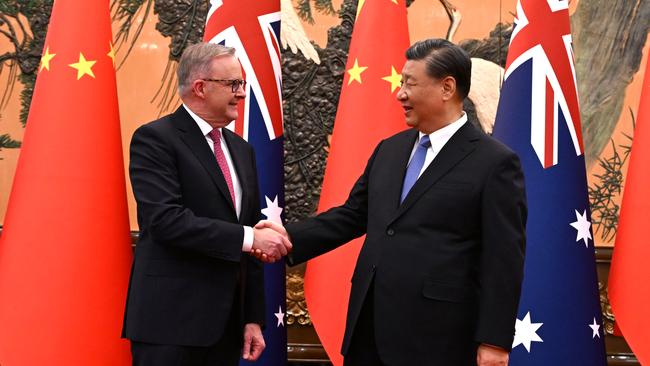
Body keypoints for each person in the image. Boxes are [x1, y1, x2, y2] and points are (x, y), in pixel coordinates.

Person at [258, 38, 527, 366]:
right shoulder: (390, 149)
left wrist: (495, 342)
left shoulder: (494, 162)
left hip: (440, 339)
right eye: (401, 83)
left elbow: (504, 260)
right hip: (369, 328)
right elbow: (352, 216)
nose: (400, 94)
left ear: (447, 87)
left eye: (410, 84)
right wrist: (287, 238)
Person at [122, 42, 291, 366]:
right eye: (233, 84)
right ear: (200, 87)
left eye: (241, 84)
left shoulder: (242, 150)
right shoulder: (155, 139)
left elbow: (251, 234)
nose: (241, 93)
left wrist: (252, 317)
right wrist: (250, 238)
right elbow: (166, 220)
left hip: (226, 327)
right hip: (170, 325)